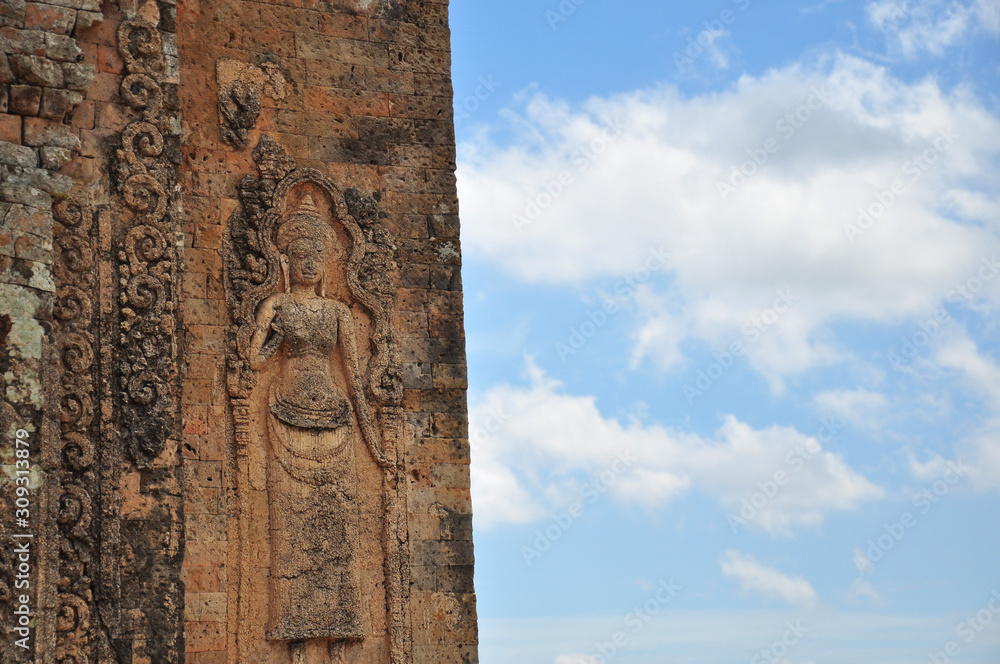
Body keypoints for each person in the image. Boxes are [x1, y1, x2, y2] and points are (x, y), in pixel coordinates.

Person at [248, 194, 367, 642]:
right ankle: (293, 633)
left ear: (328, 260)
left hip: (335, 419)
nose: (310, 263)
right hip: (285, 412)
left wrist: (372, 436)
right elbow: (256, 360)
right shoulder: (277, 306)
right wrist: (270, 329)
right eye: (301, 255)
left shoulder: (338, 312)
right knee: (292, 529)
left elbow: (354, 375)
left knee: (339, 527)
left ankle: (341, 634)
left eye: (318, 255)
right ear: (289, 260)